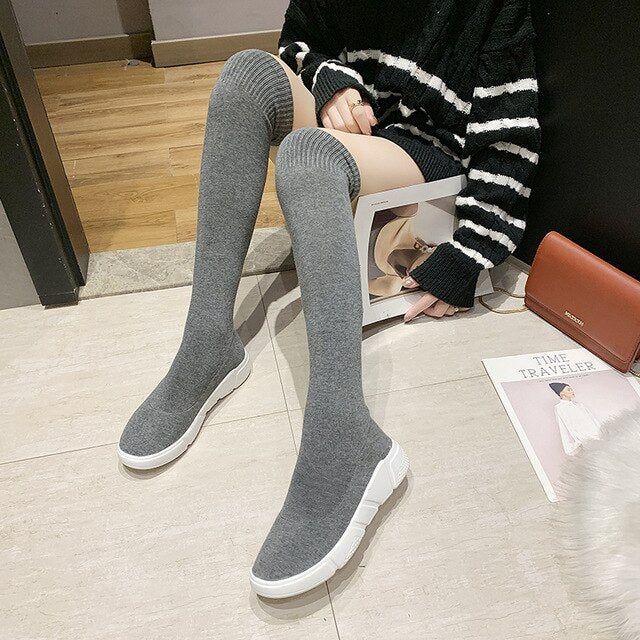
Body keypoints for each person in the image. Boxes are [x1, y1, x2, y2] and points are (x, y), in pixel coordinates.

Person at [117, 0, 541, 598]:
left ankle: (345, 435)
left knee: (308, 157)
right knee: (246, 76)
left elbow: (509, 139)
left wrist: (469, 257)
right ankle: (208, 340)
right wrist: (331, 81)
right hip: (360, 123)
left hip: (428, 150)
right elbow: (297, 43)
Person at [549, 383, 602, 455]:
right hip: (584, 437)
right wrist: (580, 438)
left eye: (571, 389)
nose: (572, 391)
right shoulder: (560, 408)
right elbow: (567, 426)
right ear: (562, 394)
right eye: (569, 390)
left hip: (595, 433)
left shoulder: (579, 405)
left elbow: (592, 418)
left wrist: (599, 430)